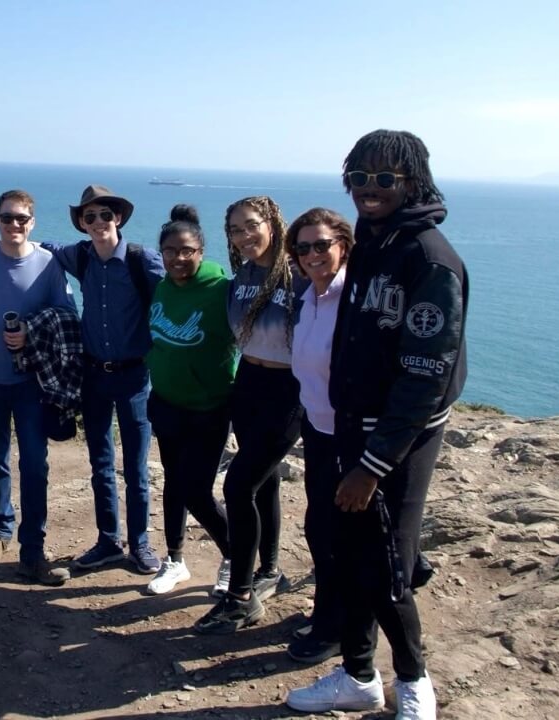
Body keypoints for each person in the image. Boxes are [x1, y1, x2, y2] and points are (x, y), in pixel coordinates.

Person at [287, 130, 468, 720]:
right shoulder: (370, 242)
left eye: (385, 179)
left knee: (388, 561)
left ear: (412, 182)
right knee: (348, 552)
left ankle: (414, 683)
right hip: (347, 426)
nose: (369, 189)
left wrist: (372, 464)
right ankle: (358, 674)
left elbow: (426, 378)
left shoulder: (428, 259)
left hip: (396, 439)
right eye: (359, 178)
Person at [0, 185, 166, 575]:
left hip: (133, 376)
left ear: (118, 218)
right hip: (94, 375)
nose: (97, 223)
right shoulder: (80, 256)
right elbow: (36, 246)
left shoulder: (144, 261)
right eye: (89, 217)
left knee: (137, 468)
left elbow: (179, 289)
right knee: (101, 464)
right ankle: (109, 541)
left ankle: (140, 543)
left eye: (104, 215)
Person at [194, 195, 304, 635]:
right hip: (250, 384)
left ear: (273, 223)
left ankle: (241, 597)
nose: (244, 236)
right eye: (236, 230)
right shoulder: (243, 273)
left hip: (289, 389)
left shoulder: (297, 272)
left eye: (251, 226)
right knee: (265, 481)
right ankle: (270, 570)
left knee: (239, 485)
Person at [0, 190, 76, 585]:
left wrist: (31, 329)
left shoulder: (47, 264)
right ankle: (1, 531)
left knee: (34, 464)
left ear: (33, 223)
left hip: (30, 382)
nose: (14, 225)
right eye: (7, 218)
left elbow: (67, 314)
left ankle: (33, 550)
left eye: (22, 219)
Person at [142, 205, 237, 595]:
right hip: (166, 403)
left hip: (210, 408)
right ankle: (175, 560)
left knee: (195, 489)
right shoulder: (162, 287)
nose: (178, 259)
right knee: (173, 485)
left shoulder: (221, 290)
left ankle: (237, 557)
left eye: (187, 251)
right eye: (170, 251)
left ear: (201, 251)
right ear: (160, 253)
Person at [283, 207, 355, 664]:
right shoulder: (310, 295)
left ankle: (336, 628)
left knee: (338, 536)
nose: (312, 254)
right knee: (319, 528)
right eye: (303, 247)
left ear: (343, 245)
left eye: (321, 245)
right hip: (318, 428)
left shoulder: (352, 298)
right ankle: (329, 612)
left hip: (349, 436)